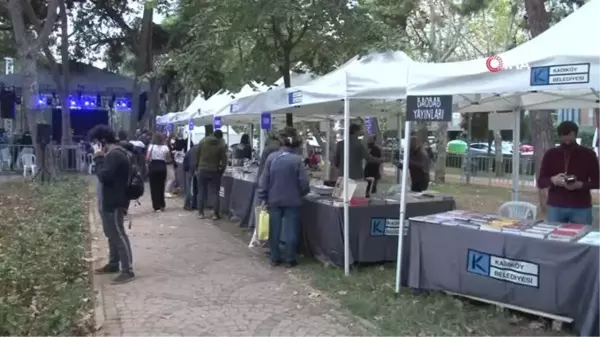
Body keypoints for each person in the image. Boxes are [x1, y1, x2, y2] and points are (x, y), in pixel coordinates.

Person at [258, 127, 310, 267]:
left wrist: (263, 196)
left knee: (274, 229)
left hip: (274, 199)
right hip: (293, 200)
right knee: (291, 230)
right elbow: (304, 182)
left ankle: (275, 257)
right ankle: (290, 258)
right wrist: (302, 193)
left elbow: (264, 180)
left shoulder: (271, 158)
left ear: (281, 144)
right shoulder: (297, 160)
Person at [90, 125, 135, 284]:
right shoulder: (114, 153)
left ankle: (127, 270)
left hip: (115, 201)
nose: (94, 147)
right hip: (110, 200)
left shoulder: (115, 155)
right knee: (111, 234)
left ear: (102, 141)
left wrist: (98, 157)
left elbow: (104, 176)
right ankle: (114, 263)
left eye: (95, 143)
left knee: (118, 234)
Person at [538, 121, 600, 224]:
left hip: (581, 206)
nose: (567, 138)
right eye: (564, 135)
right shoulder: (550, 154)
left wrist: (579, 185)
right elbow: (541, 182)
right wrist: (553, 180)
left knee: (581, 237)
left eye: (570, 135)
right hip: (556, 205)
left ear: (575, 134)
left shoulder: (589, 154)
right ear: (559, 136)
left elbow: (598, 182)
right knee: (555, 238)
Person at [196, 129, 228, 220]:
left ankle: (200, 213)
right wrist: (221, 170)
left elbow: (197, 155)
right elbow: (224, 160)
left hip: (202, 169)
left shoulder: (202, 142)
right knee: (215, 192)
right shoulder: (220, 145)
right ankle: (215, 213)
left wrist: (198, 166)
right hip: (214, 170)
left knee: (201, 191)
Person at [147, 132, 170, 212]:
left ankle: (156, 206)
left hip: (153, 166)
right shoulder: (166, 148)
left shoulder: (151, 147)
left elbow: (147, 157)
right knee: (161, 186)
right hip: (162, 166)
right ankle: (162, 204)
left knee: (154, 187)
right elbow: (168, 158)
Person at [183, 141, 199, 210]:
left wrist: (186, 168)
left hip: (190, 170)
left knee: (190, 188)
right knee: (197, 188)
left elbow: (185, 159)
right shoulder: (201, 149)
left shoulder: (191, 150)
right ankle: (195, 204)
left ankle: (188, 204)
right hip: (198, 169)